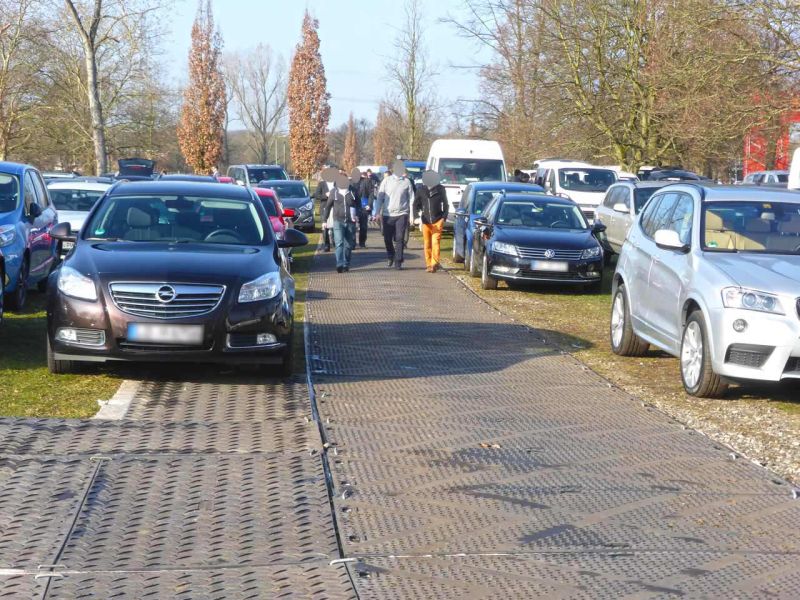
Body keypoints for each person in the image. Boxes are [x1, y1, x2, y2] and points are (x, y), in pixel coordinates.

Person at [373, 160, 413, 269]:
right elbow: (380, 197)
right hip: (387, 214)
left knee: (399, 238)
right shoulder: (386, 181)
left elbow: (411, 199)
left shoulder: (407, 182)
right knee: (387, 238)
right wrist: (377, 212)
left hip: (402, 213)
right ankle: (390, 254)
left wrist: (412, 215)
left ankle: (398, 261)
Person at [413, 170, 449, 273]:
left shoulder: (441, 189)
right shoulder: (421, 190)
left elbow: (446, 205)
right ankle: (428, 264)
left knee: (435, 242)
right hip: (426, 221)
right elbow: (415, 204)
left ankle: (434, 264)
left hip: (438, 220)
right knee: (427, 243)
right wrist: (416, 216)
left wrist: (443, 218)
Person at [323, 173, 358, 273]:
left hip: (351, 221)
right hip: (338, 221)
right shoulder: (334, 192)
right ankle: (339, 264)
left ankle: (346, 263)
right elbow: (328, 206)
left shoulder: (353, 191)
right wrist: (324, 221)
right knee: (339, 243)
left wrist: (357, 215)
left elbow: (358, 205)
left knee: (348, 245)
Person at [315, 167, 337, 251]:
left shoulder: (336, 183)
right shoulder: (321, 184)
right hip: (324, 207)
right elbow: (317, 195)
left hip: (335, 207)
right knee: (325, 226)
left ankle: (335, 242)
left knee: (335, 225)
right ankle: (326, 245)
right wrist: (325, 195)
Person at [357, 169, 375, 248]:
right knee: (352, 225)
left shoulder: (368, 182)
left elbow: (371, 194)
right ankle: (352, 242)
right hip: (354, 206)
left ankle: (362, 242)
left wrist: (369, 204)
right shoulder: (353, 182)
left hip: (364, 206)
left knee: (363, 226)